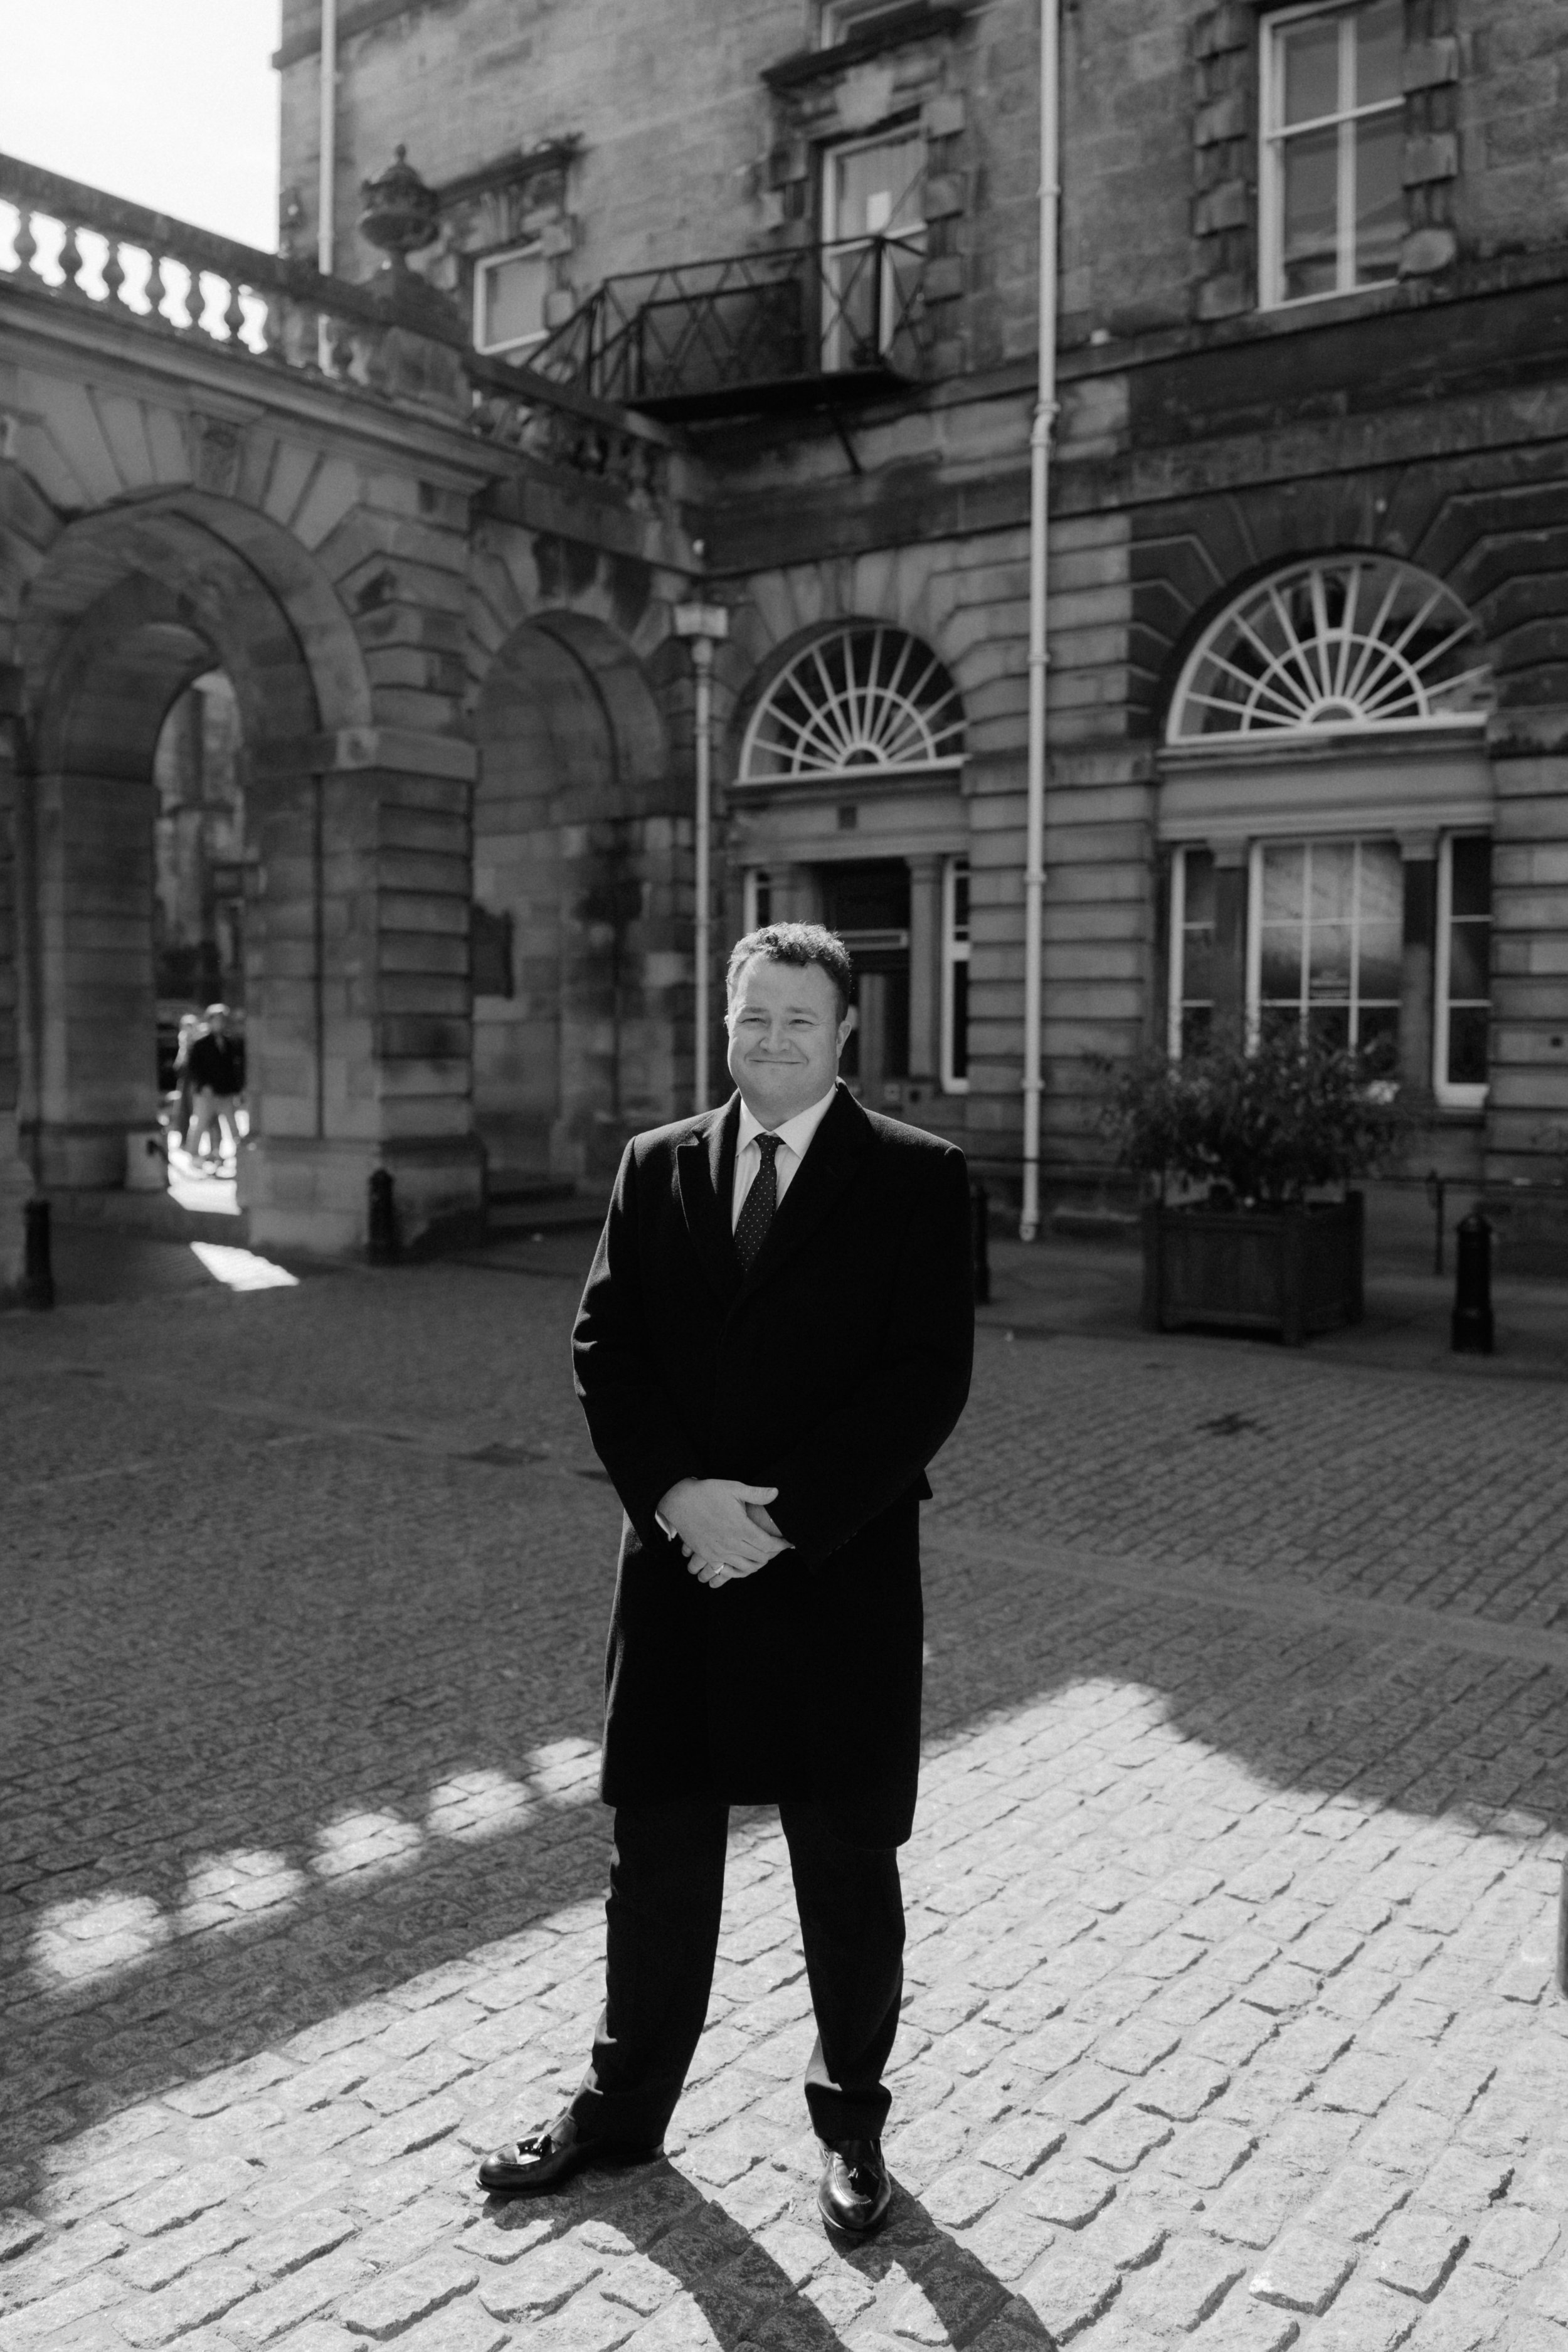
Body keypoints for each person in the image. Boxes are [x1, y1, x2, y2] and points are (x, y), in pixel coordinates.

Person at [478, 921, 975, 2238]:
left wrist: (783, 1518)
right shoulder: (652, 1169)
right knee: (658, 1858)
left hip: (838, 1570)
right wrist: (679, 1497)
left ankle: (852, 2123)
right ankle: (619, 2111)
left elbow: (924, 1380)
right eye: (750, 1018)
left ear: (845, 1033)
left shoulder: (920, 1180)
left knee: (845, 1862)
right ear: (727, 1023)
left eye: (796, 1022)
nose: (768, 1042)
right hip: (680, 1567)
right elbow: (604, 1349)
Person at [185, 1004, 246, 1169]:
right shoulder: (200, 1044)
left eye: (222, 1020)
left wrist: (238, 1090)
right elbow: (194, 1069)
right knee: (200, 1125)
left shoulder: (230, 1043)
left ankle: (242, 1155)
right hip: (207, 1093)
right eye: (216, 1020)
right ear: (210, 1021)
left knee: (233, 1126)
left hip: (225, 1093)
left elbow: (235, 1070)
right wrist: (203, 1085)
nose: (220, 1024)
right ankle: (194, 1156)